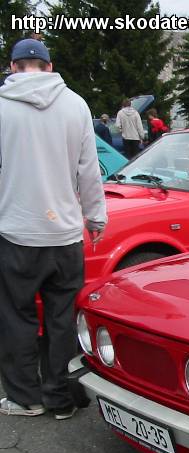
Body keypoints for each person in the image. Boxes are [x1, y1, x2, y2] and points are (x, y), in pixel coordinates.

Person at [0, 39, 107, 419]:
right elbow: (89, 169)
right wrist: (96, 217)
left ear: (13, 66)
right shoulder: (75, 105)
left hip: (16, 232)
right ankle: (61, 399)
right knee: (62, 318)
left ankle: (25, 398)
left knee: (16, 317)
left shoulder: (2, 106)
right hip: (64, 234)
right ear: (49, 66)